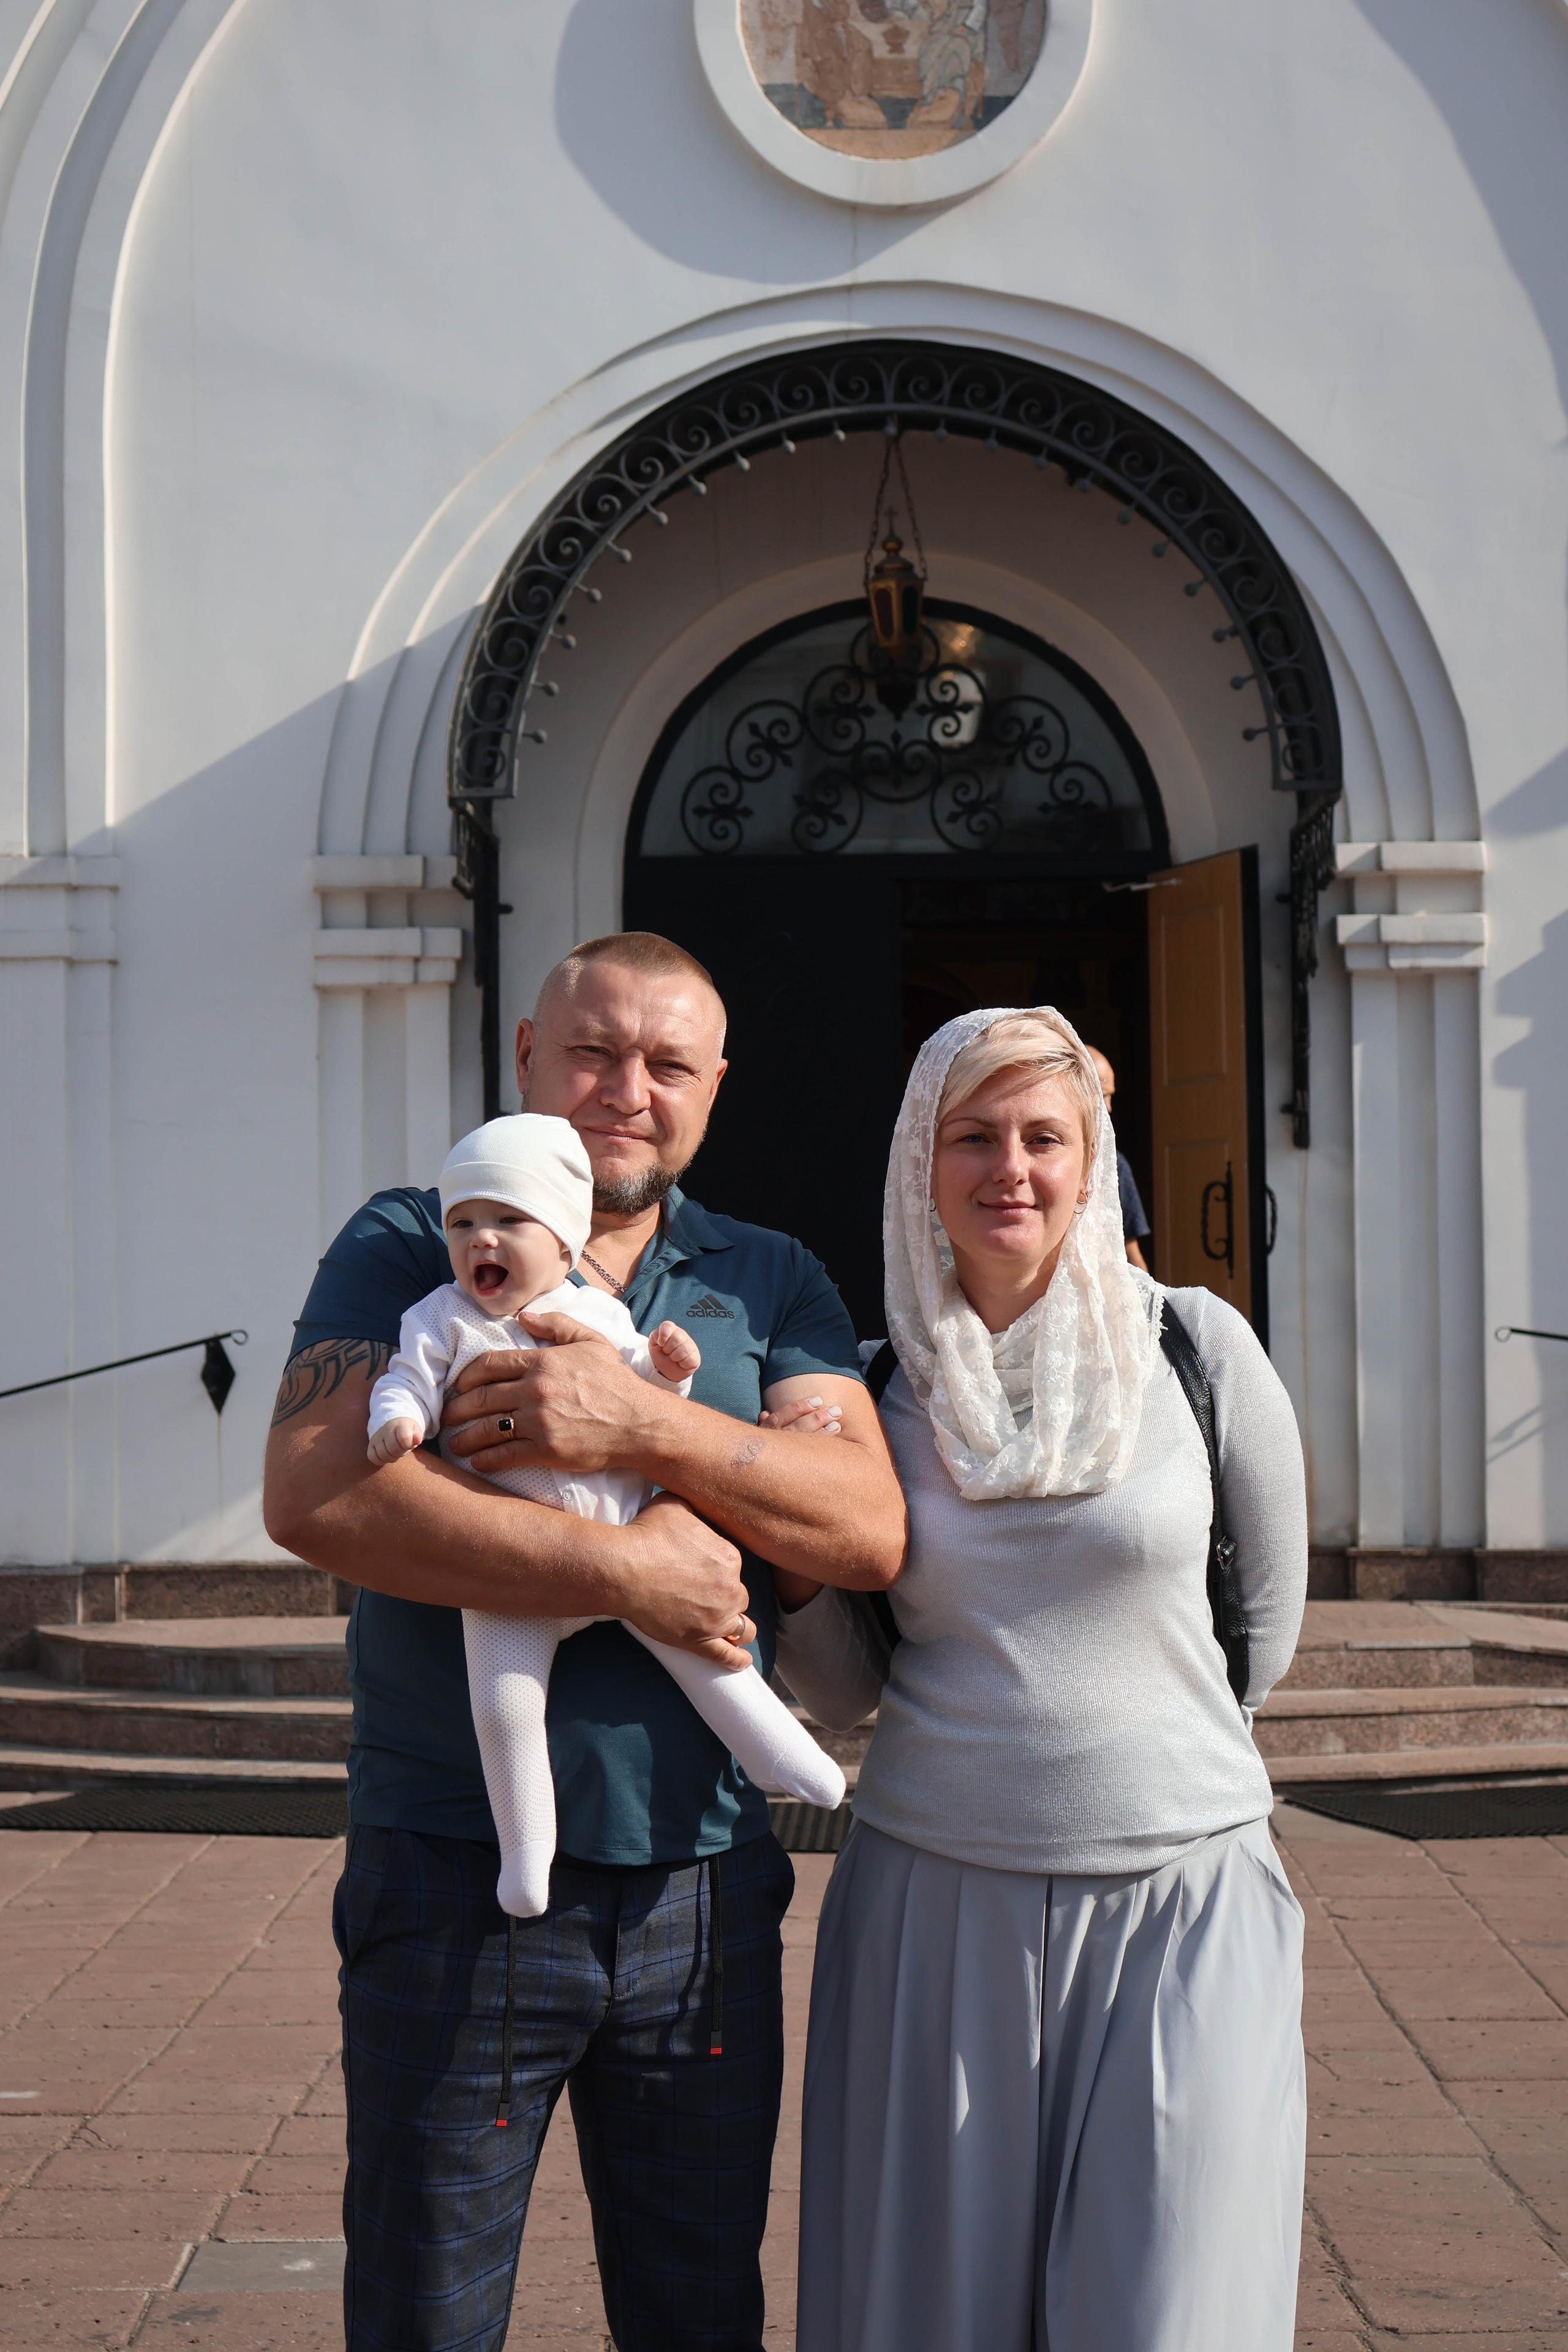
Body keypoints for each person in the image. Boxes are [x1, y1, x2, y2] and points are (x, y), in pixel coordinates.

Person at [262, 932, 906, 2352]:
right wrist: (627, 1566)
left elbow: (863, 1525)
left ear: (713, 1085)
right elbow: (317, 1491)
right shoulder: (408, 1238)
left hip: (704, 1895)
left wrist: (641, 1428)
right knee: (427, 2312)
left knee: (696, 2314)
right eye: (593, 1050)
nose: (626, 1087)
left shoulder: (766, 1273)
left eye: (667, 1062)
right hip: (453, 1878)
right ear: (527, 1060)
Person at [775, 1006, 1308, 2352]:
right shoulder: (865, 1394)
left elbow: (1264, 1625)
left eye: (1041, 1137)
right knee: (930, 2321)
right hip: (933, 1907)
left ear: (1089, 1158)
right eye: (971, 1136)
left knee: (1168, 2314)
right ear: (919, 1162)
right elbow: (839, 1695)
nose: (1006, 1168)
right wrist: (778, 1547)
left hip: (1184, 1894)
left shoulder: (1198, 1350)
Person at [365, 1110, 845, 1920]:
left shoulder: (592, 1312)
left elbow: (644, 1393)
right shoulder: (439, 1316)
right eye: (464, 1224)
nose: (483, 1241)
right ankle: (527, 1858)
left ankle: (789, 1758)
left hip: (629, 1536)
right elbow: (405, 1379)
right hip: (511, 1573)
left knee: (705, 1648)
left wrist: (670, 1369)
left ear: (562, 1242)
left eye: (509, 1221)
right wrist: (401, 1420)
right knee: (506, 1705)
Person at [1087, 1042, 1151, 1269]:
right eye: (1103, 1096)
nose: (1110, 1107)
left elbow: (1129, 1249)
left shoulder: (1113, 1164)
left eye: (1111, 1096)